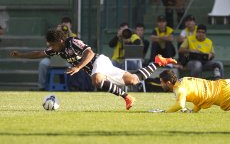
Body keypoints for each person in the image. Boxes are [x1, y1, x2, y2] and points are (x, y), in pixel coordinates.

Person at [10, 29, 177, 110]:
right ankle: (157, 62)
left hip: (99, 61)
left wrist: (78, 66)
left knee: (96, 81)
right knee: (133, 80)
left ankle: (126, 96)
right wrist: (20, 55)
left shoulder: (72, 42)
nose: (49, 47)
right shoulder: (57, 49)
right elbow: (39, 53)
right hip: (99, 68)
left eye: (51, 44)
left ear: (60, 41)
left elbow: (89, 52)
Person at [159, 69, 230, 113]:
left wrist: (165, 112)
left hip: (224, 97)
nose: (160, 84)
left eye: (161, 82)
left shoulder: (179, 89)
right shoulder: (184, 80)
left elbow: (180, 105)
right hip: (227, 83)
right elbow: (198, 95)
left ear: (168, 82)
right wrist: (194, 111)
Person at [37, 17, 77, 91]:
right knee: (43, 63)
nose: (64, 28)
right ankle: (41, 87)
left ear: (70, 26)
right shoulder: (55, 34)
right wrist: (57, 32)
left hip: (67, 60)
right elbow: (48, 44)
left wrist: (69, 31)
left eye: (67, 26)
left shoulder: (73, 35)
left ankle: (73, 86)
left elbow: (75, 45)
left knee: (75, 65)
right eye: (63, 26)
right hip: (52, 59)